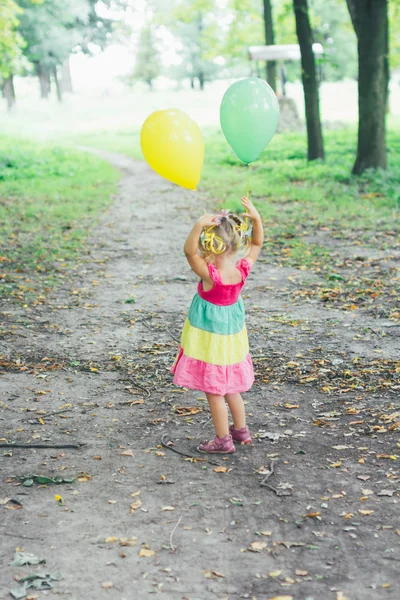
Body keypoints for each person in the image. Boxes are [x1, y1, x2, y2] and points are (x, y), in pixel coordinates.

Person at [171, 196, 264, 454]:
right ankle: (241, 431)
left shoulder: (210, 275)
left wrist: (199, 224)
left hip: (211, 340)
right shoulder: (242, 269)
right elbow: (257, 243)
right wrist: (256, 219)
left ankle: (223, 440)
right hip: (231, 337)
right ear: (236, 245)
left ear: (209, 245)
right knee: (230, 386)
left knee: (214, 390)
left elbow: (188, 252)